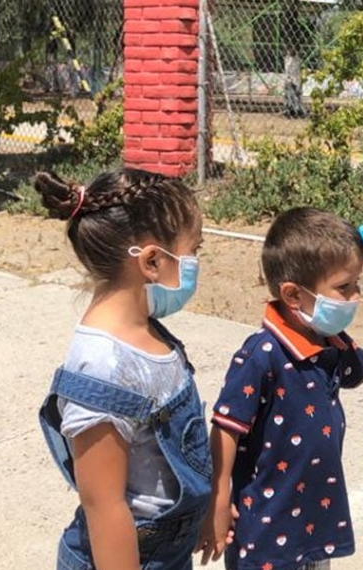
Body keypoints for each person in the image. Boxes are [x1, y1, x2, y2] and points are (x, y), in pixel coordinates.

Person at [197, 207, 363, 570]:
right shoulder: (262, 355)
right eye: (344, 287)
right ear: (293, 295)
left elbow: (362, 367)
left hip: (313, 518)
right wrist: (219, 497)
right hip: (265, 528)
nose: (356, 297)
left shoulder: (328, 340)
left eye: (355, 284)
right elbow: (226, 426)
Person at [36, 168, 212, 570]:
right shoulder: (102, 366)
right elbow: (105, 507)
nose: (196, 263)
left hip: (168, 550)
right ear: (151, 260)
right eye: (194, 251)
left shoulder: (147, 330)